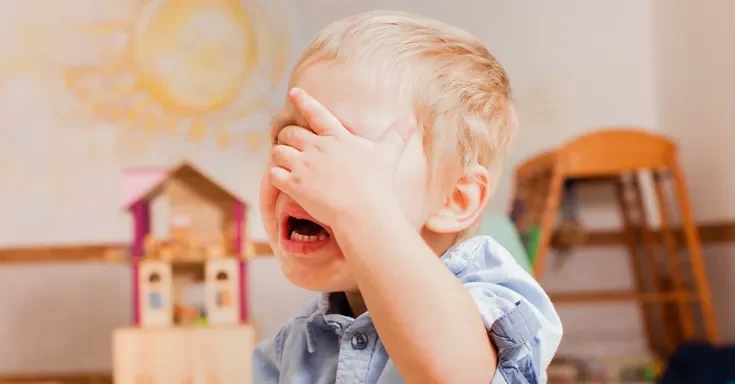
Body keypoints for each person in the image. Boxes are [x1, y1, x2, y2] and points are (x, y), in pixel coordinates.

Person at [254, 10, 562, 383]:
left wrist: (362, 212)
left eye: (343, 153)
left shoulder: (488, 295)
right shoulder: (294, 348)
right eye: (288, 140)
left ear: (454, 199)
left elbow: (453, 373)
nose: (303, 173)